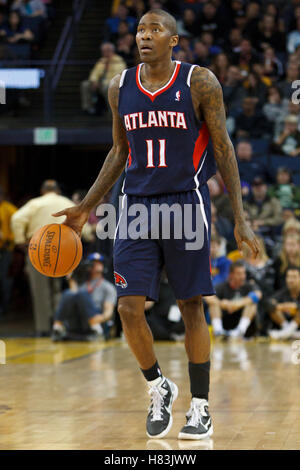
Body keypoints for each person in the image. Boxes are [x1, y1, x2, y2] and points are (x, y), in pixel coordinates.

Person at [53, 9, 259, 441]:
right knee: (129, 308)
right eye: (141, 30)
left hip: (186, 203)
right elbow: (117, 151)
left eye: (155, 30)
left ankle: (200, 407)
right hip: (135, 206)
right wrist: (87, 206)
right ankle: (158, 387)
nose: (145, 36)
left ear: (174, 40)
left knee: (191, 306)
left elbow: (222, 148)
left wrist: (241, 218)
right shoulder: (119, 86)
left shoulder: (199, 81)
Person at [10, 180, 74, 336]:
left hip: (37, 246)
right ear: (58, 190)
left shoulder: (35, 203)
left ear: (42, 190)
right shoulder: (66, 202)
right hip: (63, 247)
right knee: (58, 289)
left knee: (40, 289)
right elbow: (80, 221)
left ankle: (43, 328)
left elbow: (16, 218)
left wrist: (20, 241)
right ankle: (58, 325)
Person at [52, 253, 117, 341]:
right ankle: (57, 327)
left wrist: (98, 319)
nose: (97, 265)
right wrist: (71, 279)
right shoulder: (83, 285)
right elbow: (71, 296)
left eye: (99, 263)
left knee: (81, 293)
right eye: (93, 263)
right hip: (80, 319)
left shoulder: (108, 287)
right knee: (68, 293)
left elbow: (108, 312)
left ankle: (96, 330)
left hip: (97, 321)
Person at [206, 261, 262, 338]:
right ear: (231, 275)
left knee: (252, 303)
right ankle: (218, 332)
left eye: (244, 273)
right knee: (213, 305)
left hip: (245, 322)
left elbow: (258, 294)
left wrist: (238, 304)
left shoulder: (249, 285)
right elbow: (208, 297)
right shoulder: (222, 286)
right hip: (226, 320)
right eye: (239, 274)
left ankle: (240, 331)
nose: (243, 276)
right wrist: (222, 304)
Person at [80, 42, 126, 115]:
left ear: (111, 51)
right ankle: (88, 108)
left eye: (105, 51)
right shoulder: (102, 60)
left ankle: (112, 111)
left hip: (111, 84)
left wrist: (102, 83)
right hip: (99, 83)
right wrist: (94, 81)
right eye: (103, 51)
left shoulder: (118, 60)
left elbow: (118, 76)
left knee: (106, 88)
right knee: (85, 84)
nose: (103, 53)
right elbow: (94, 73)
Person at [268, 267, 300, 340]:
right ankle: (288, 333)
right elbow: (269, 303)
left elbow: (296, 308)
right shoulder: (283, 292)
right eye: (289, 277)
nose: (291, 280)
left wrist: (296, 306)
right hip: (287, 324)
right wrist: (282, 306)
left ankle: (285, 333)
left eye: (294, 277)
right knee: (272, 309)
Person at [0, 186, 17, 316]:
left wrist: (9, 239)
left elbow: (18, 226)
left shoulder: (10, 209)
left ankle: (5, 306)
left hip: (5, 249)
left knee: (4, 278)